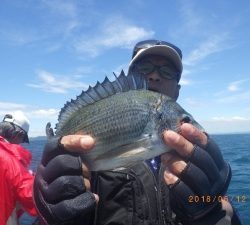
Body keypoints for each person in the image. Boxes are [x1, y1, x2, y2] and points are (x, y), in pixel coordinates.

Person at [33, 40, 242, 225]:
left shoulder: (197, 162)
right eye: (145, 67)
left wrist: (212, 208)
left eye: (167, 71)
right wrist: (49, 215)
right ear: (131, 77)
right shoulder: (83, 165)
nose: (154, 76)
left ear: (177, 91)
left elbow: (224, 212)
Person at [0, 111, 37, 225]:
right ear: (18, 134)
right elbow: (32, 199)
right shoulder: (10, 162)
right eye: (23, 139)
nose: (21, 143)